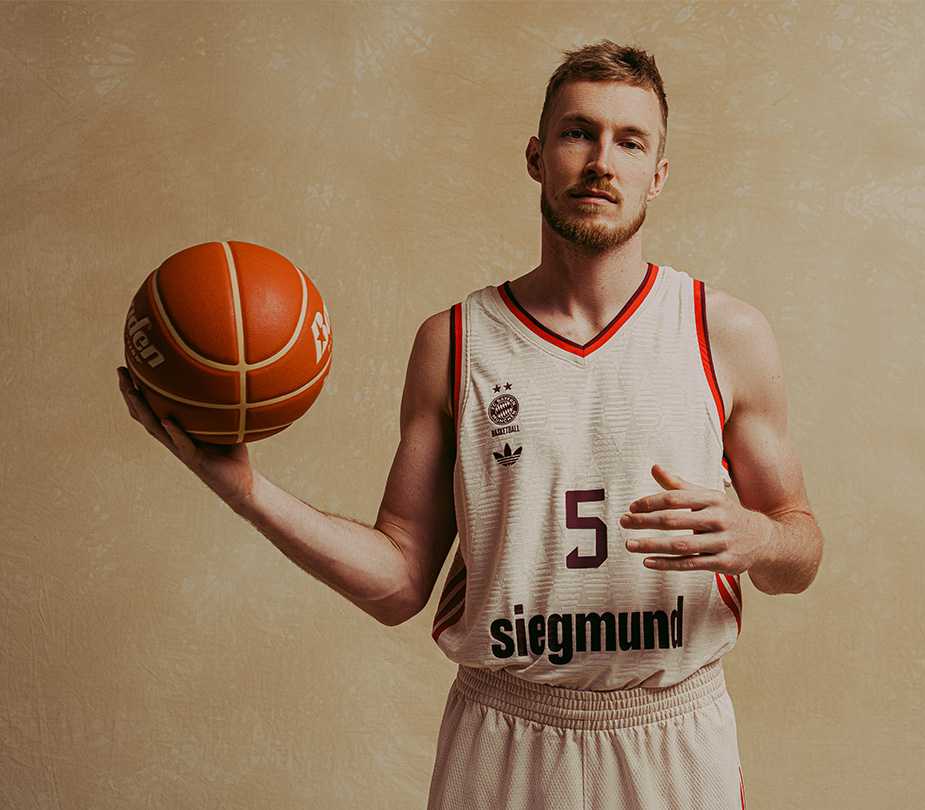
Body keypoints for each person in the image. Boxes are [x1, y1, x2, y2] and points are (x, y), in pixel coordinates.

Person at [118, 38, 823, 810]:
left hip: (670, 730)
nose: (600, 161)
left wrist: (758, 537)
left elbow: (800, 547)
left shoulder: (724, 333)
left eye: (630, 141)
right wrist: (247, 491)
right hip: (506, 732)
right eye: (577, 132)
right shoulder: (454, 341)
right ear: (536, 154)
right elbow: (397, 582)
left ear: (658, 173)